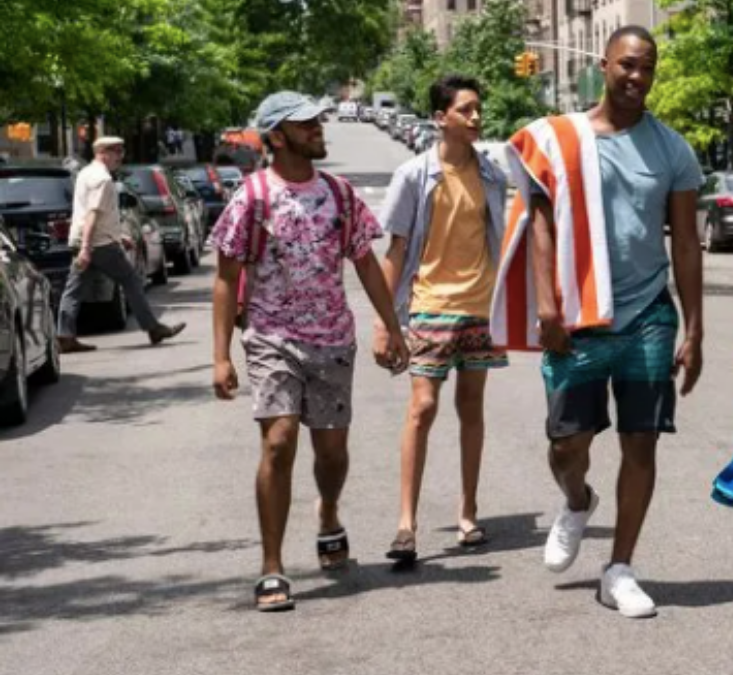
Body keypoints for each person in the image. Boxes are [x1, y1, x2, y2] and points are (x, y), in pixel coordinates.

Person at [492, 25, 704, 618]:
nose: (638, 77)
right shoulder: (560, 139)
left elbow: (686, 244)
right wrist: (546, 306)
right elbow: (540, 223)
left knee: (641, 442)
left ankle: (620, 569)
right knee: (567, 444)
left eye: (648, 67)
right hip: (577, 318)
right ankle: (577, 500)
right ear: (604, 65)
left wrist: (695, 329)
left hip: (649, 317)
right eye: (628, 65)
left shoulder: (673, 150)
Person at [209, 91, 408, 612]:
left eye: (318, 120)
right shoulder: (252, 197)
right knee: (278, 443)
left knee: (332, 453)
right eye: (306, 124)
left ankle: (328, 512)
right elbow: (226, 278)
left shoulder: (340, 195)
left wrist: (393, 326)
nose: (318, 128)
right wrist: (221, 355)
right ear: (277, 136)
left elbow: (366, 263)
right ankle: (272, 566)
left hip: (332, 339)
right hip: (271, 338)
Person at [377, 75, 510, 566]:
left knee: (472, 409)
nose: (476, 117)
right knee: (423, 407)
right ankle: (405, 524)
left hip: (479, 306)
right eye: (465, 110)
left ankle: (468, 513)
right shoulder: (414, 175)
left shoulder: (492, 174)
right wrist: (385, 323)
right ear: (440, 118)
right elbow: (396, 250)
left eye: (478, 109)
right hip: (429, 305)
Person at [57, 136, 186, 353]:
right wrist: (88, 247)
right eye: (116, 152)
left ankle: (65, 336)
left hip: (85, 240)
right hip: (99, 245)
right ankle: (153, 328)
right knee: (131, 280)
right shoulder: (102, 180)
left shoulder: (85, 173)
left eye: (121, 152)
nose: (120, 157)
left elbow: (97, 214)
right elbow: (93, 214)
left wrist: (114, 237)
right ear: (103, 153)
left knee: (73, 290)